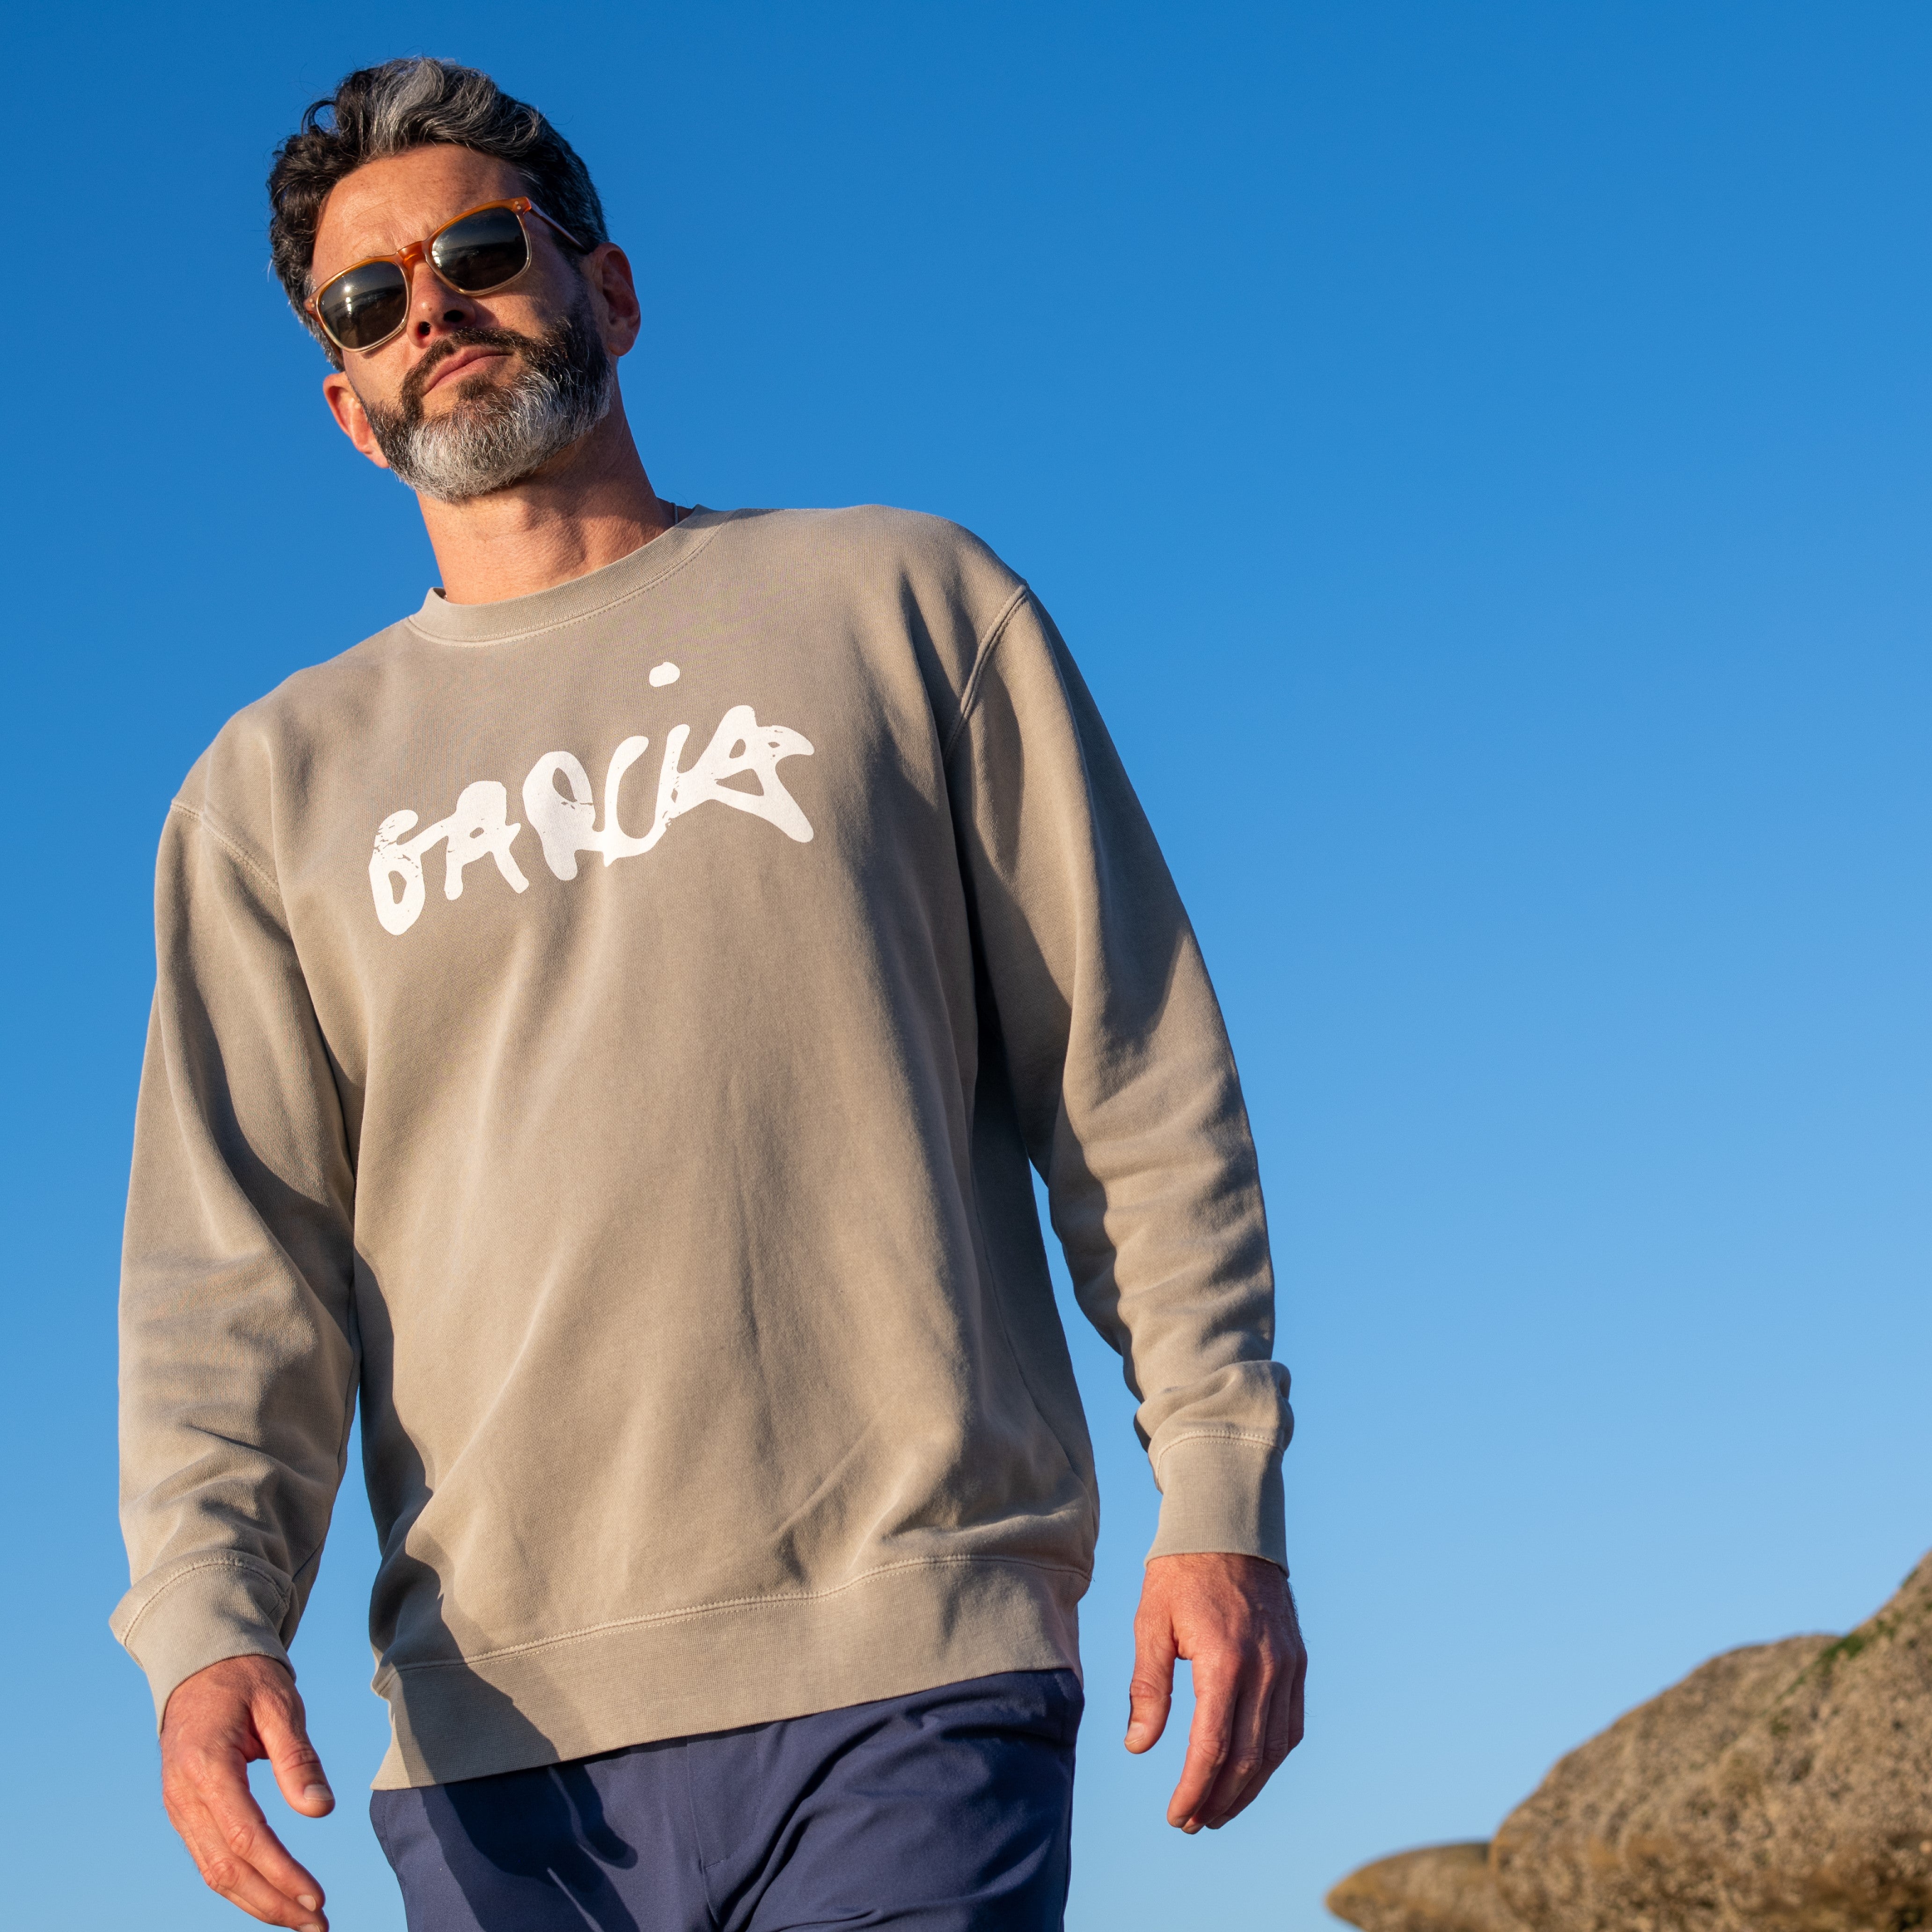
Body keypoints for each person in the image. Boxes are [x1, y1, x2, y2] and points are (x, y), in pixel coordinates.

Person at [113, 56, 1305, 1932]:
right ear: (344, 403)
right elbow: (229, 1270)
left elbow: (1135, 1085)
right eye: (367, 300)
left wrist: (1222, 1490)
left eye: (482, 253)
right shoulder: (267, 795)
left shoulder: (906, 606)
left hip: (913, 1656)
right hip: (496, 1751)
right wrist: (208, 1626)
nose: (433, 310)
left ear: (606, 284)